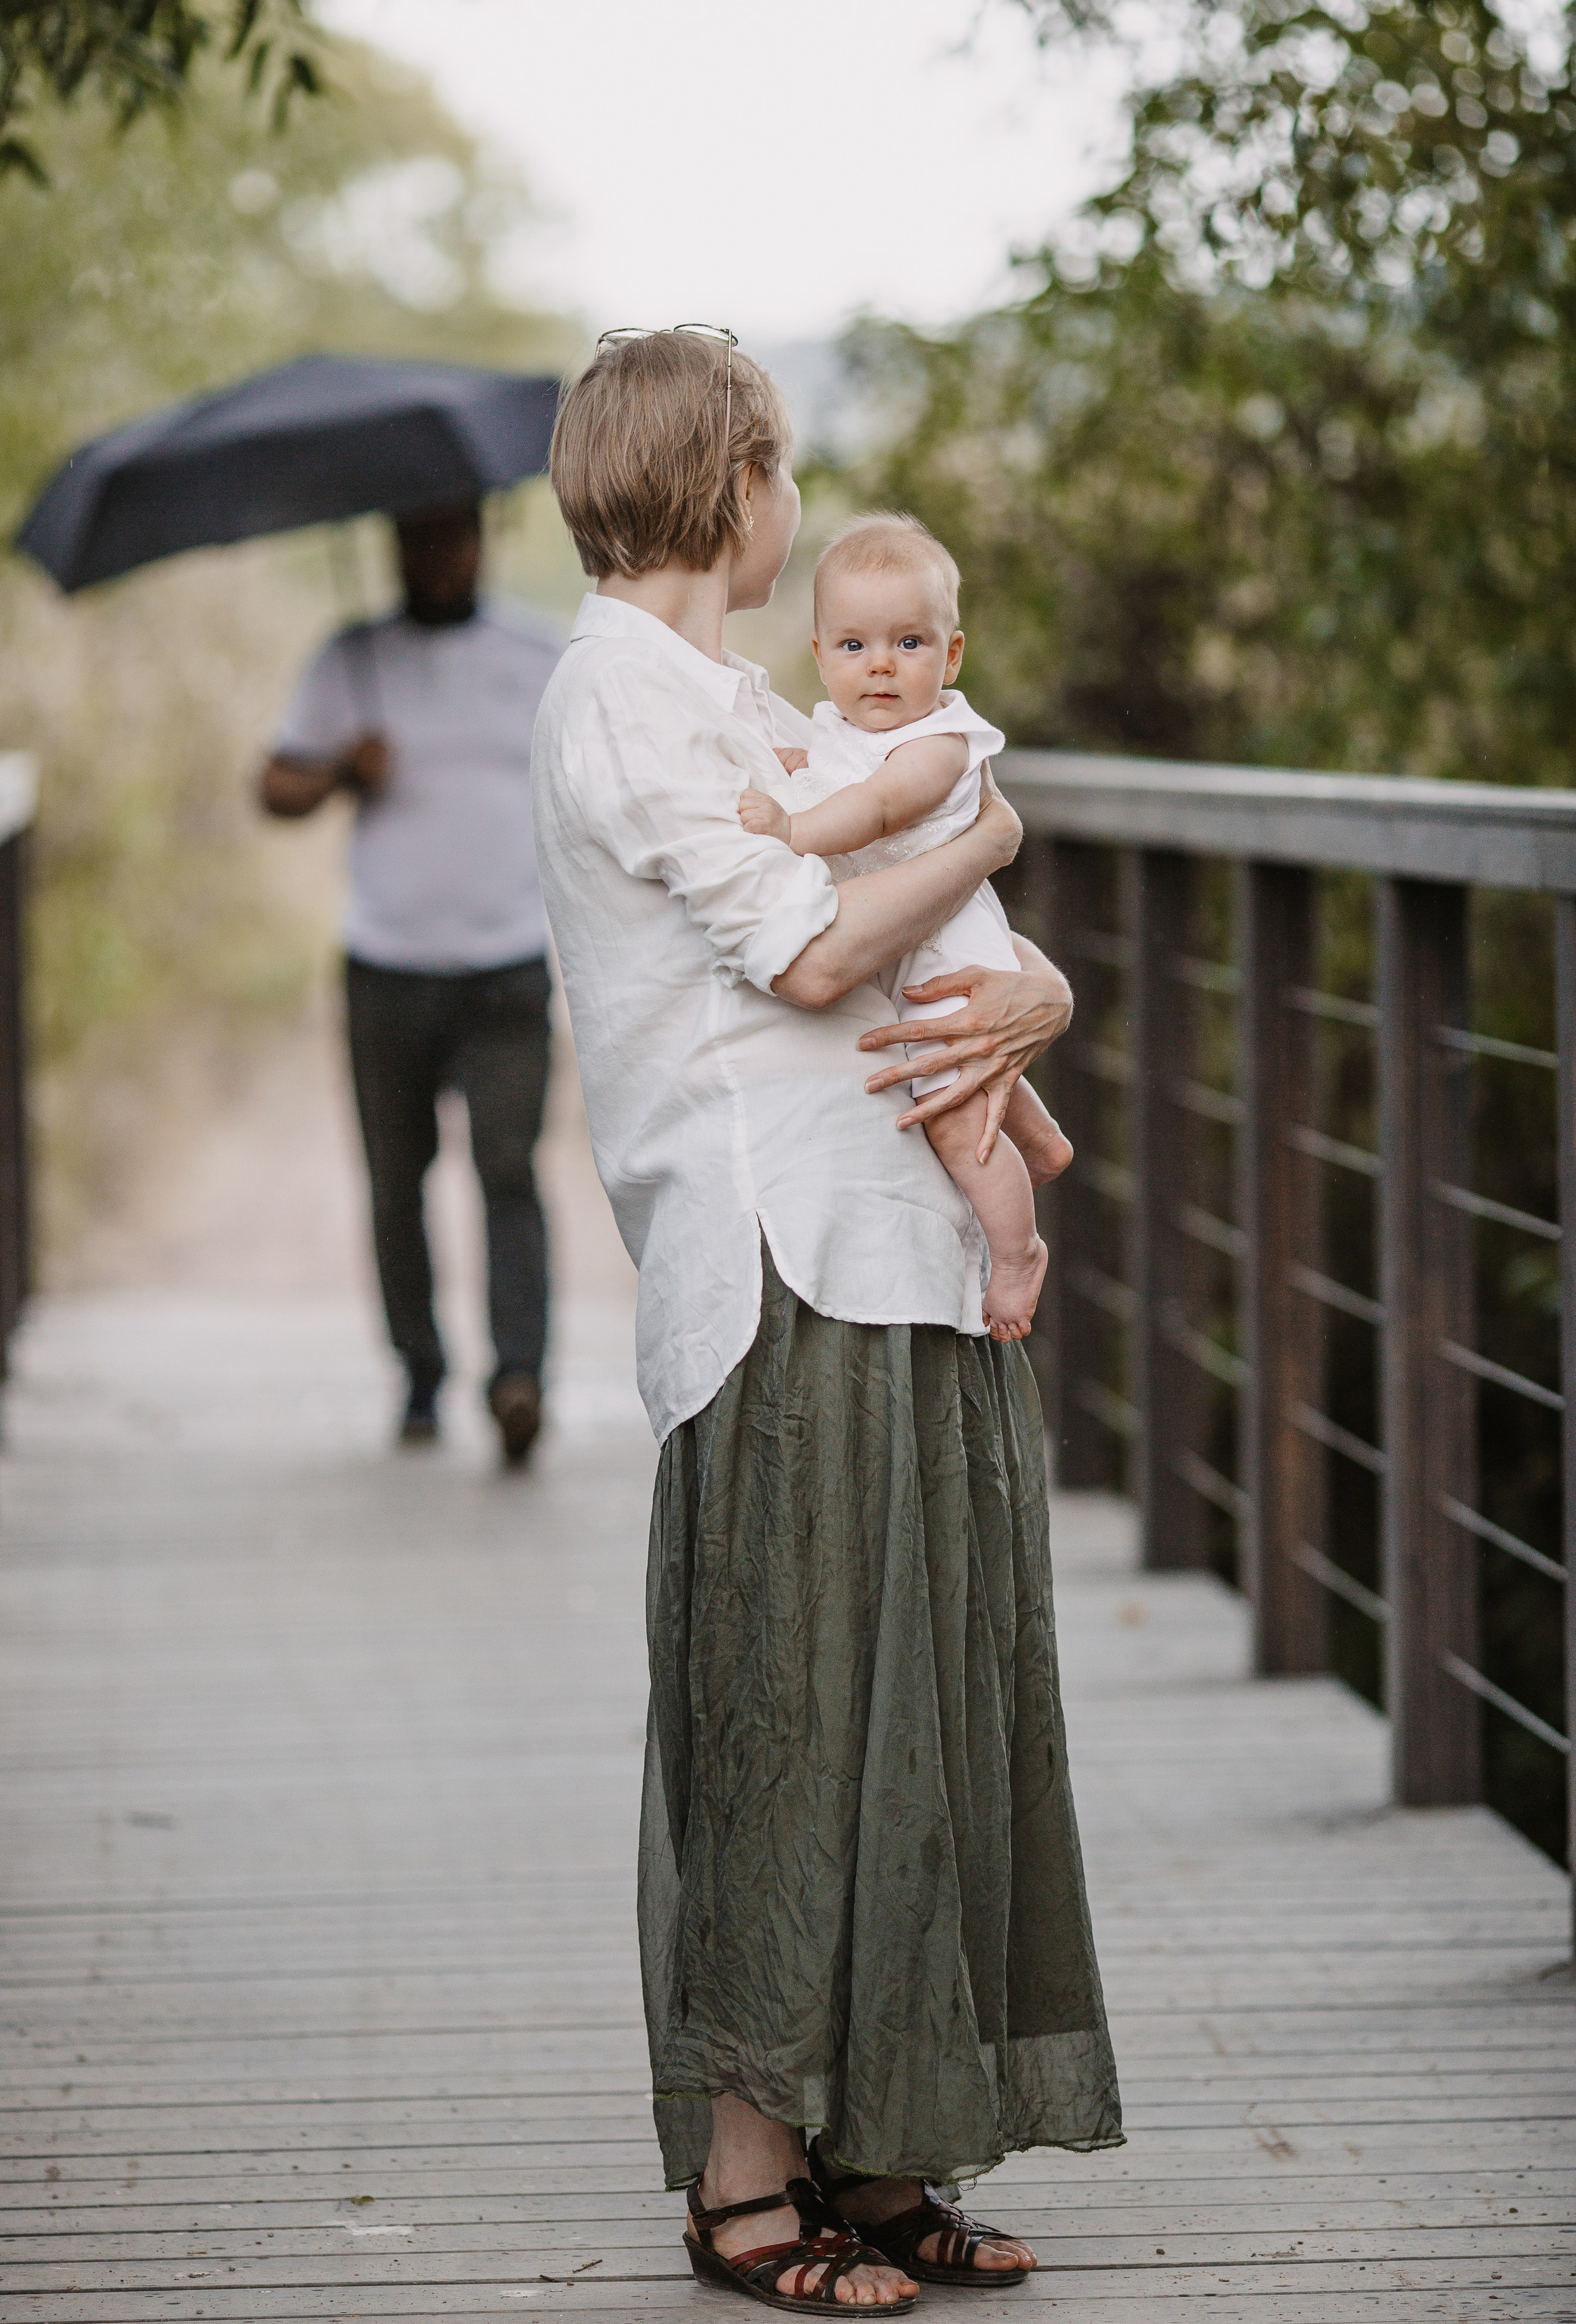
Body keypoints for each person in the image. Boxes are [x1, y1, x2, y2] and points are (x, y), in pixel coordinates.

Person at [532, 328, 1121, 2314]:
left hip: (897, 1254)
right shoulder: (624, 698)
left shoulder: (730, 695)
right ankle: (745, 2184)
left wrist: (1012, 968)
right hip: (780, 1270)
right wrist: (997, 840)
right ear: (737, 484)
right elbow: (805, 951)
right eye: (784, 469)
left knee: (921, 1705)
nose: (794, 503)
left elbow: (912, 915)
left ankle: (880, 2153)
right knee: (793, 1721)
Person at [258, 502, 561, 1464]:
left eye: (454, 533)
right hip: (387, 963)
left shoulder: (537, 655)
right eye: (419, 536)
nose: (438, 553)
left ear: (484, 535)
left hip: (509, 959)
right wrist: (344, 768)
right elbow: (272, 788)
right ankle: (420, 1375)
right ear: (392, 543)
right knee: (398, 1181)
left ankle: (519, 1379)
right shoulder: (351, 658)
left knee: (509, 1171)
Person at [739, 509, 1068, 1344]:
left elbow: (875, 807)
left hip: (943, 950)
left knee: (957, 1107)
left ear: (950, 656)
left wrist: (791, 828)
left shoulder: (942, 744)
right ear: (820, 656)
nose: (880, 666)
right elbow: (829, 775)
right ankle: (1042, 1143)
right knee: (972, 1071)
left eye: (909, 644)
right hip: (906, 942)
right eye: (853, 647)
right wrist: (788, 773)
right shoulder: (840, 734)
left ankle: (1018, 1249)